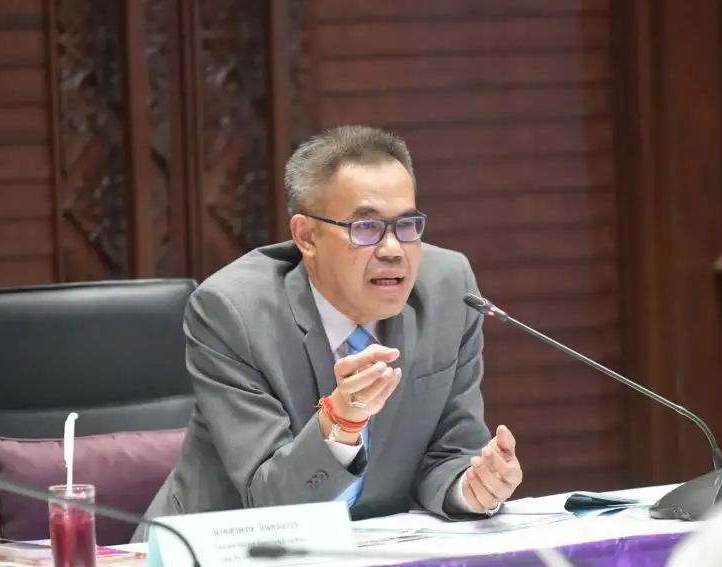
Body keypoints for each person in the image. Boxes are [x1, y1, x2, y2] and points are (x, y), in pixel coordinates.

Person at [133, 125, 522, 540]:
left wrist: (470, 488)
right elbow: (271, 500)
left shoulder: (448, 289)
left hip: (370, 548)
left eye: (408, 225)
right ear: (307, 236)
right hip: (218, 550)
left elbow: (451, 451)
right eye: (366, 228)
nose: (394, 250)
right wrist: (340, 425)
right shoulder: (233, 312)